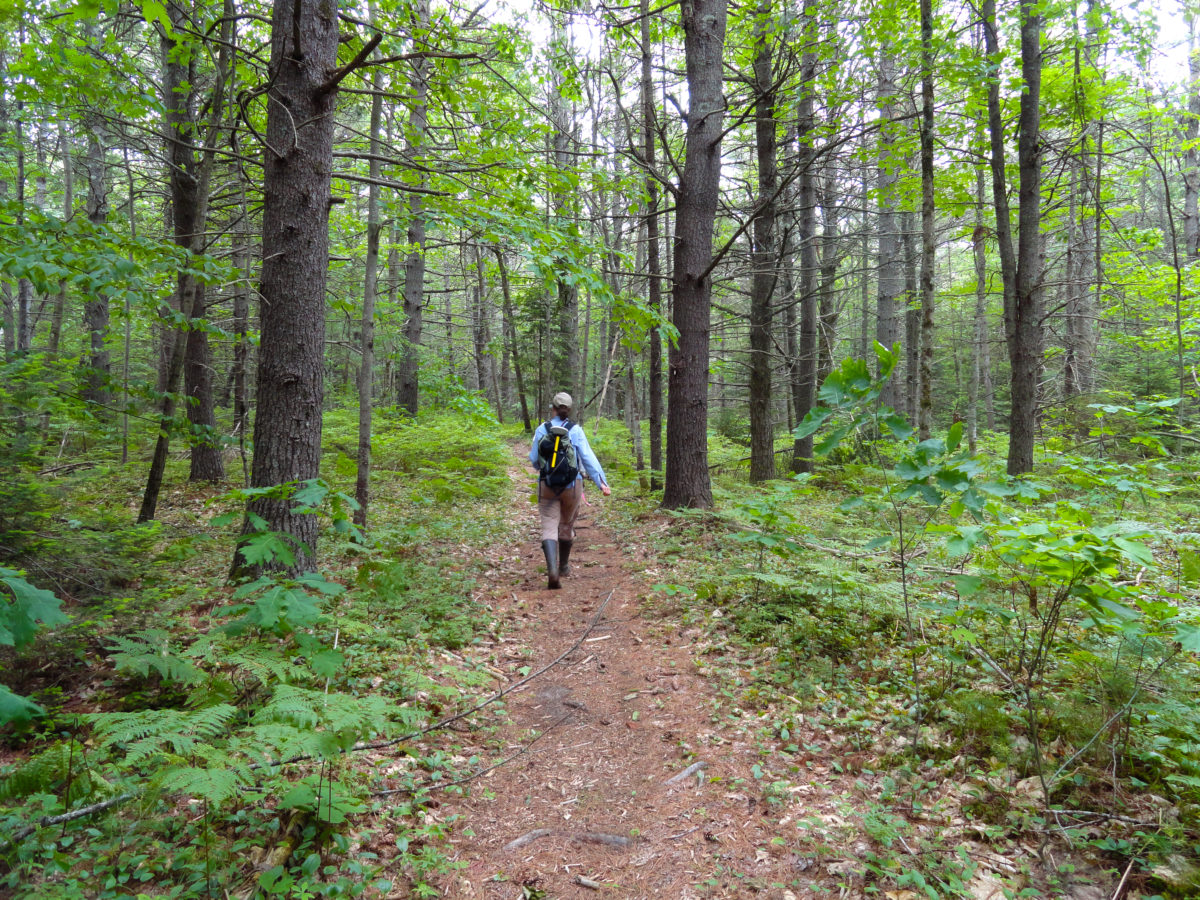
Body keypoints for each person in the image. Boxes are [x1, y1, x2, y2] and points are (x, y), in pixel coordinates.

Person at [529, 391, 611, 589]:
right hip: (572, 486)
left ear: (553, 408)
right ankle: (564, 566)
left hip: (546, 484)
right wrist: (601, 482)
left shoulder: (542, 428)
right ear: (569, 409)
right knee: (566, 525)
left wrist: (545, 469)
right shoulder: (575, 430)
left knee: (549, 525)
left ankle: (552, 571)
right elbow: (588, 457)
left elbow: (533, 459)